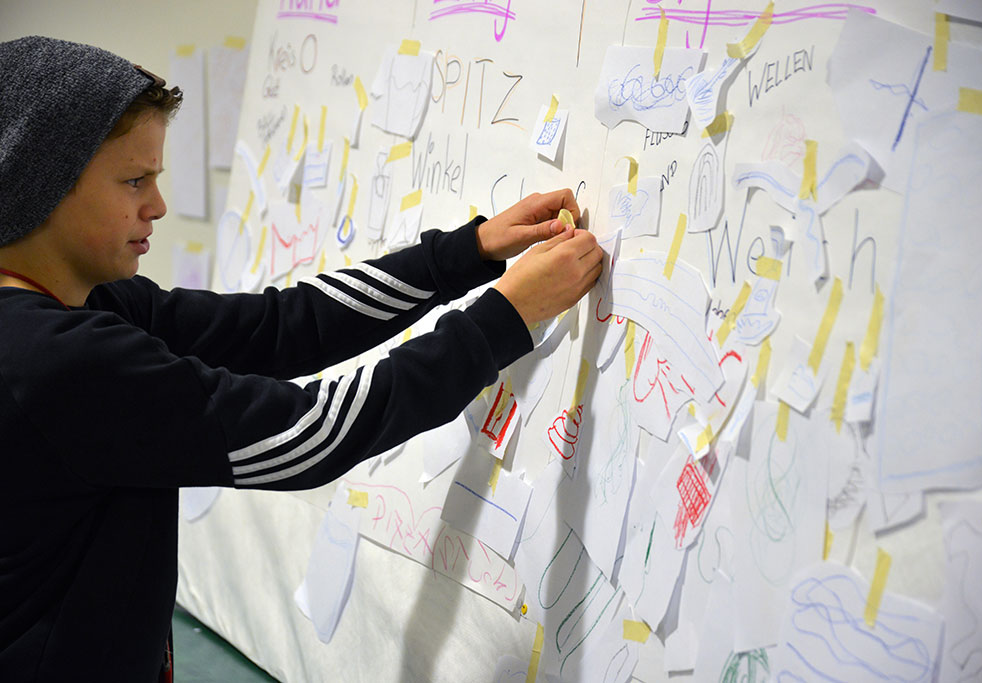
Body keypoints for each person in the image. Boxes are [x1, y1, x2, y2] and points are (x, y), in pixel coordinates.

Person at [0, 36, 602, 680]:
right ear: (43, 186)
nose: (158, 205)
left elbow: (281, 327)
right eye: (133, 181)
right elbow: (309, 435)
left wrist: (466, 253)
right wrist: (503, 317)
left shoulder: (87, 306)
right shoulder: (55, 360)